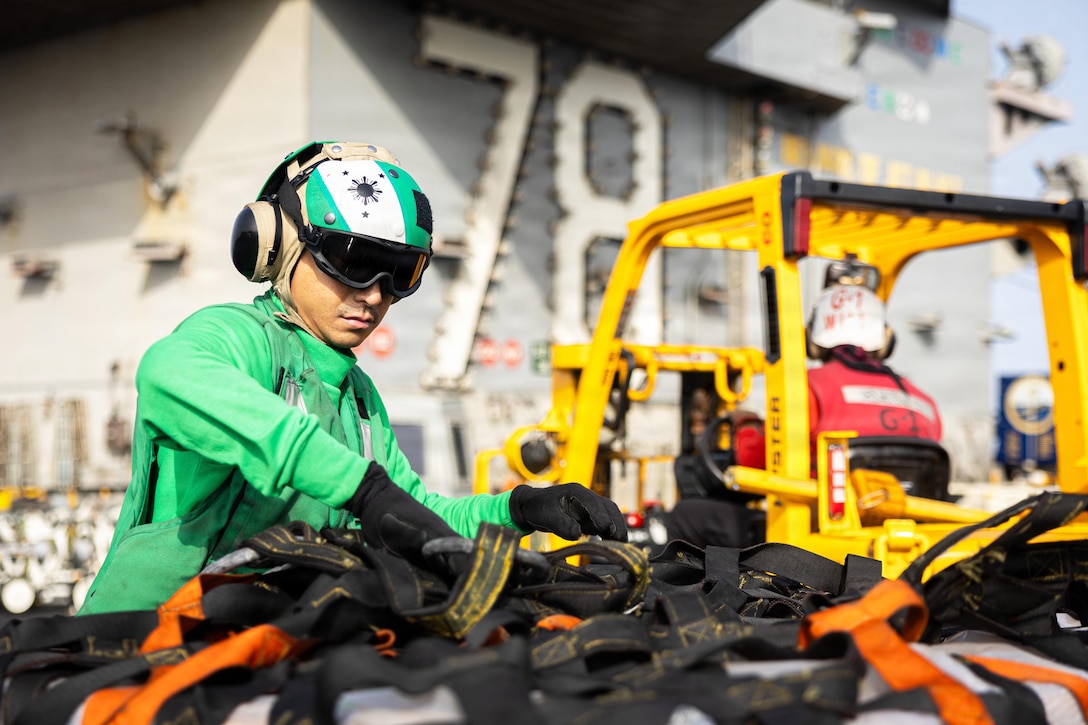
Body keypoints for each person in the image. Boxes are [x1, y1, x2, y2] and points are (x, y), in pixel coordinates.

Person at [79, 141, 626, 614]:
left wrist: (517, 509)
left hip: (257, 648)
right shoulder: (240, 336)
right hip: (137, 642)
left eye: (399, 274)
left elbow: (414, 515)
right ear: (278, 246)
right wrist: (358, 488)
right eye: (352, 260)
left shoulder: (357, 399)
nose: (373, 294)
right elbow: (167, 372)